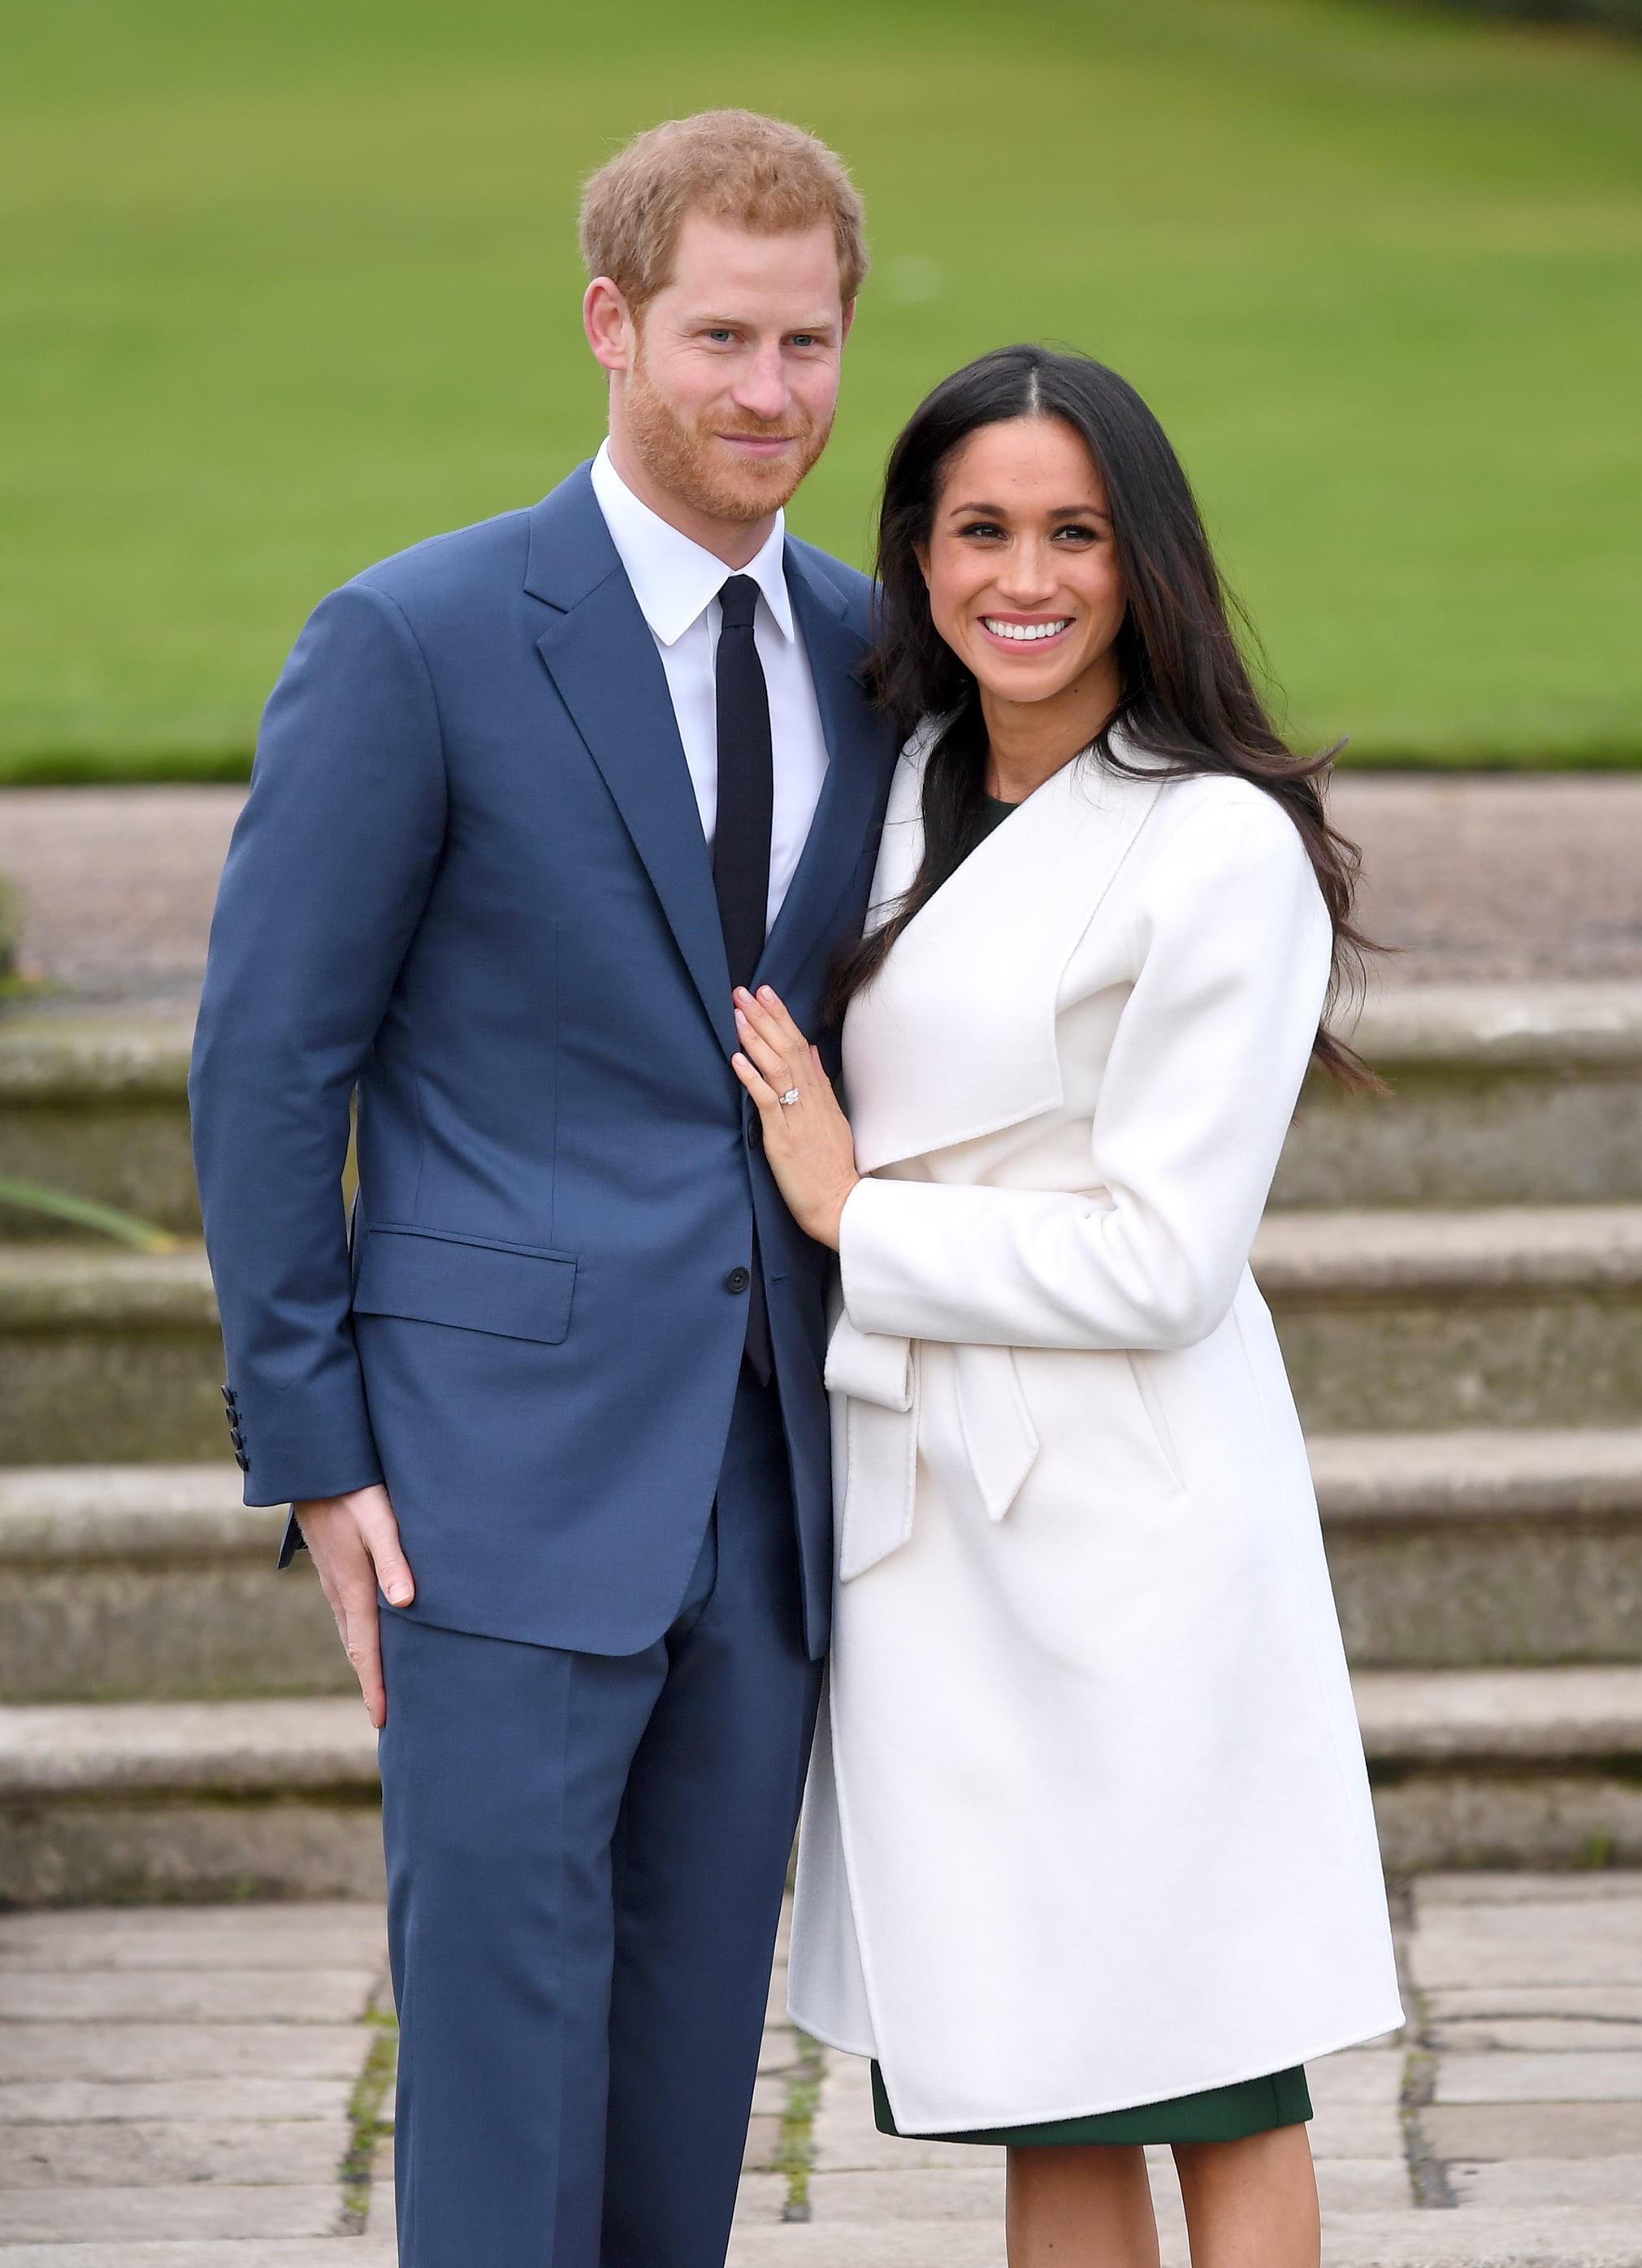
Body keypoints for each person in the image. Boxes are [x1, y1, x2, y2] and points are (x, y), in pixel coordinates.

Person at [189, 110, 896, 2268]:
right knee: (499, 2090)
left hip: (771, 1484)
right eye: (719, 339)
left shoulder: (887, 656)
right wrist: (316, 1452)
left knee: (690, 2084)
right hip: (484, 1487)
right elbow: (265, 1060)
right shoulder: (416, 640)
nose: (768, 392)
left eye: (807, 343)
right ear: (610, 327)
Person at [730, 344, 1403, 2268]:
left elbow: (1160, 1258)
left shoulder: (1213, 843)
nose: (1023, 577)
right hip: (935, 1526)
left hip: (1127, 1526)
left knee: (1208, 2058)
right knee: (1043, 2071)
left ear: (1142, 560)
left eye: (1073, 532)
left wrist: (863, 1216)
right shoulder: (904, 782)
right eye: (978, 530)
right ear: (918, 554)